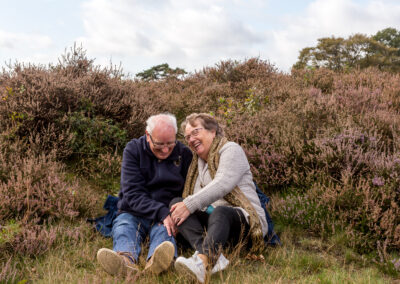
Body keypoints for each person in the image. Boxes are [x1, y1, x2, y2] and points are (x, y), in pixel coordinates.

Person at [170, 113, 268, 283]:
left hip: (244, 220)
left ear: (213, 131)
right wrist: (182, 209)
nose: (191, 140)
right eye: (187, 137)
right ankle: (213, 255)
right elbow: (193, 201)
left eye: (195, 132)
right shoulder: (197, 164)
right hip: (215, 226)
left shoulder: (231, 149)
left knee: (220, 211)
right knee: (176, 204)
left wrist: (189, 204)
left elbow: (222, 184)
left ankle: (203, 261)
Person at [96, 113, 192, 277]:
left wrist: (173, 214)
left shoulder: (185, 154)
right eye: (159, 144)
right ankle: (124, 260)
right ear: (148, 135)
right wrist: (160, 211)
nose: (166, 149)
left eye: (170, 143)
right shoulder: (133, 150)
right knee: (124, 227)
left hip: (166, 215)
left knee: (165, 233)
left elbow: (190, 190)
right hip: (133, 211)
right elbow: (132, 194)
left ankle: (157, 261)